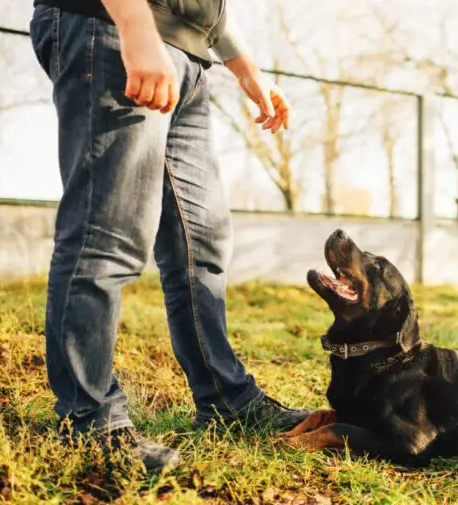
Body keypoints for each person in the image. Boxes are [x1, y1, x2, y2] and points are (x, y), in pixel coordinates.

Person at [29, 0, 309, 473]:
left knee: (202, 243)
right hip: (114, 27)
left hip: (187, 54)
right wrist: (137, 31)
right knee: (108, 234)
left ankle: (226, 399)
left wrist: (244, 67)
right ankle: (89, 421)